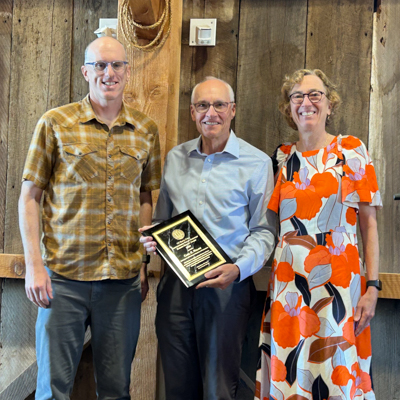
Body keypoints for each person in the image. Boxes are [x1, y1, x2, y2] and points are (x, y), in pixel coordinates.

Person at [18, 36, 161, 399]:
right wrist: (35, 265)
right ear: (86, 71)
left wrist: (142, 264)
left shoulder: (145, 130)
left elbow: (145, 196)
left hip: (122, 282)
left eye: (116, 65)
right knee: (52, 389)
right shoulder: (55, 123)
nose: (108, 73)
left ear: (128, 72)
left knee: (116, 390)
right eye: (100, 65)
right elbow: (29, 197)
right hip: (63, 279)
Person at [140, 76, 276, 400]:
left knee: (218, 389)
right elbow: (163, 220)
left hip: (227, 287)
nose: (210, 113)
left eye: (218, 105)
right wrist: (153, 239)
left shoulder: (256, 164)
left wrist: (238, 269)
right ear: (192, 112)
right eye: (202, 105)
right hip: (175, 287)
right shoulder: (175, 158)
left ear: (232, 111)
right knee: (177, 386)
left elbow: (264, 231)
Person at [255, 69, 382, 400]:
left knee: (336, 370)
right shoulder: (282, 158)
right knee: (293, 370)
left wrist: (373, 286)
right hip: (289, 288)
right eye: (298, 96)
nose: (306, 102)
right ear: (289, 107)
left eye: (315, 95)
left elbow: (369, 223)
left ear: (330, 105)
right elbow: (266, 225)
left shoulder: (351, 150)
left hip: (339, 284)